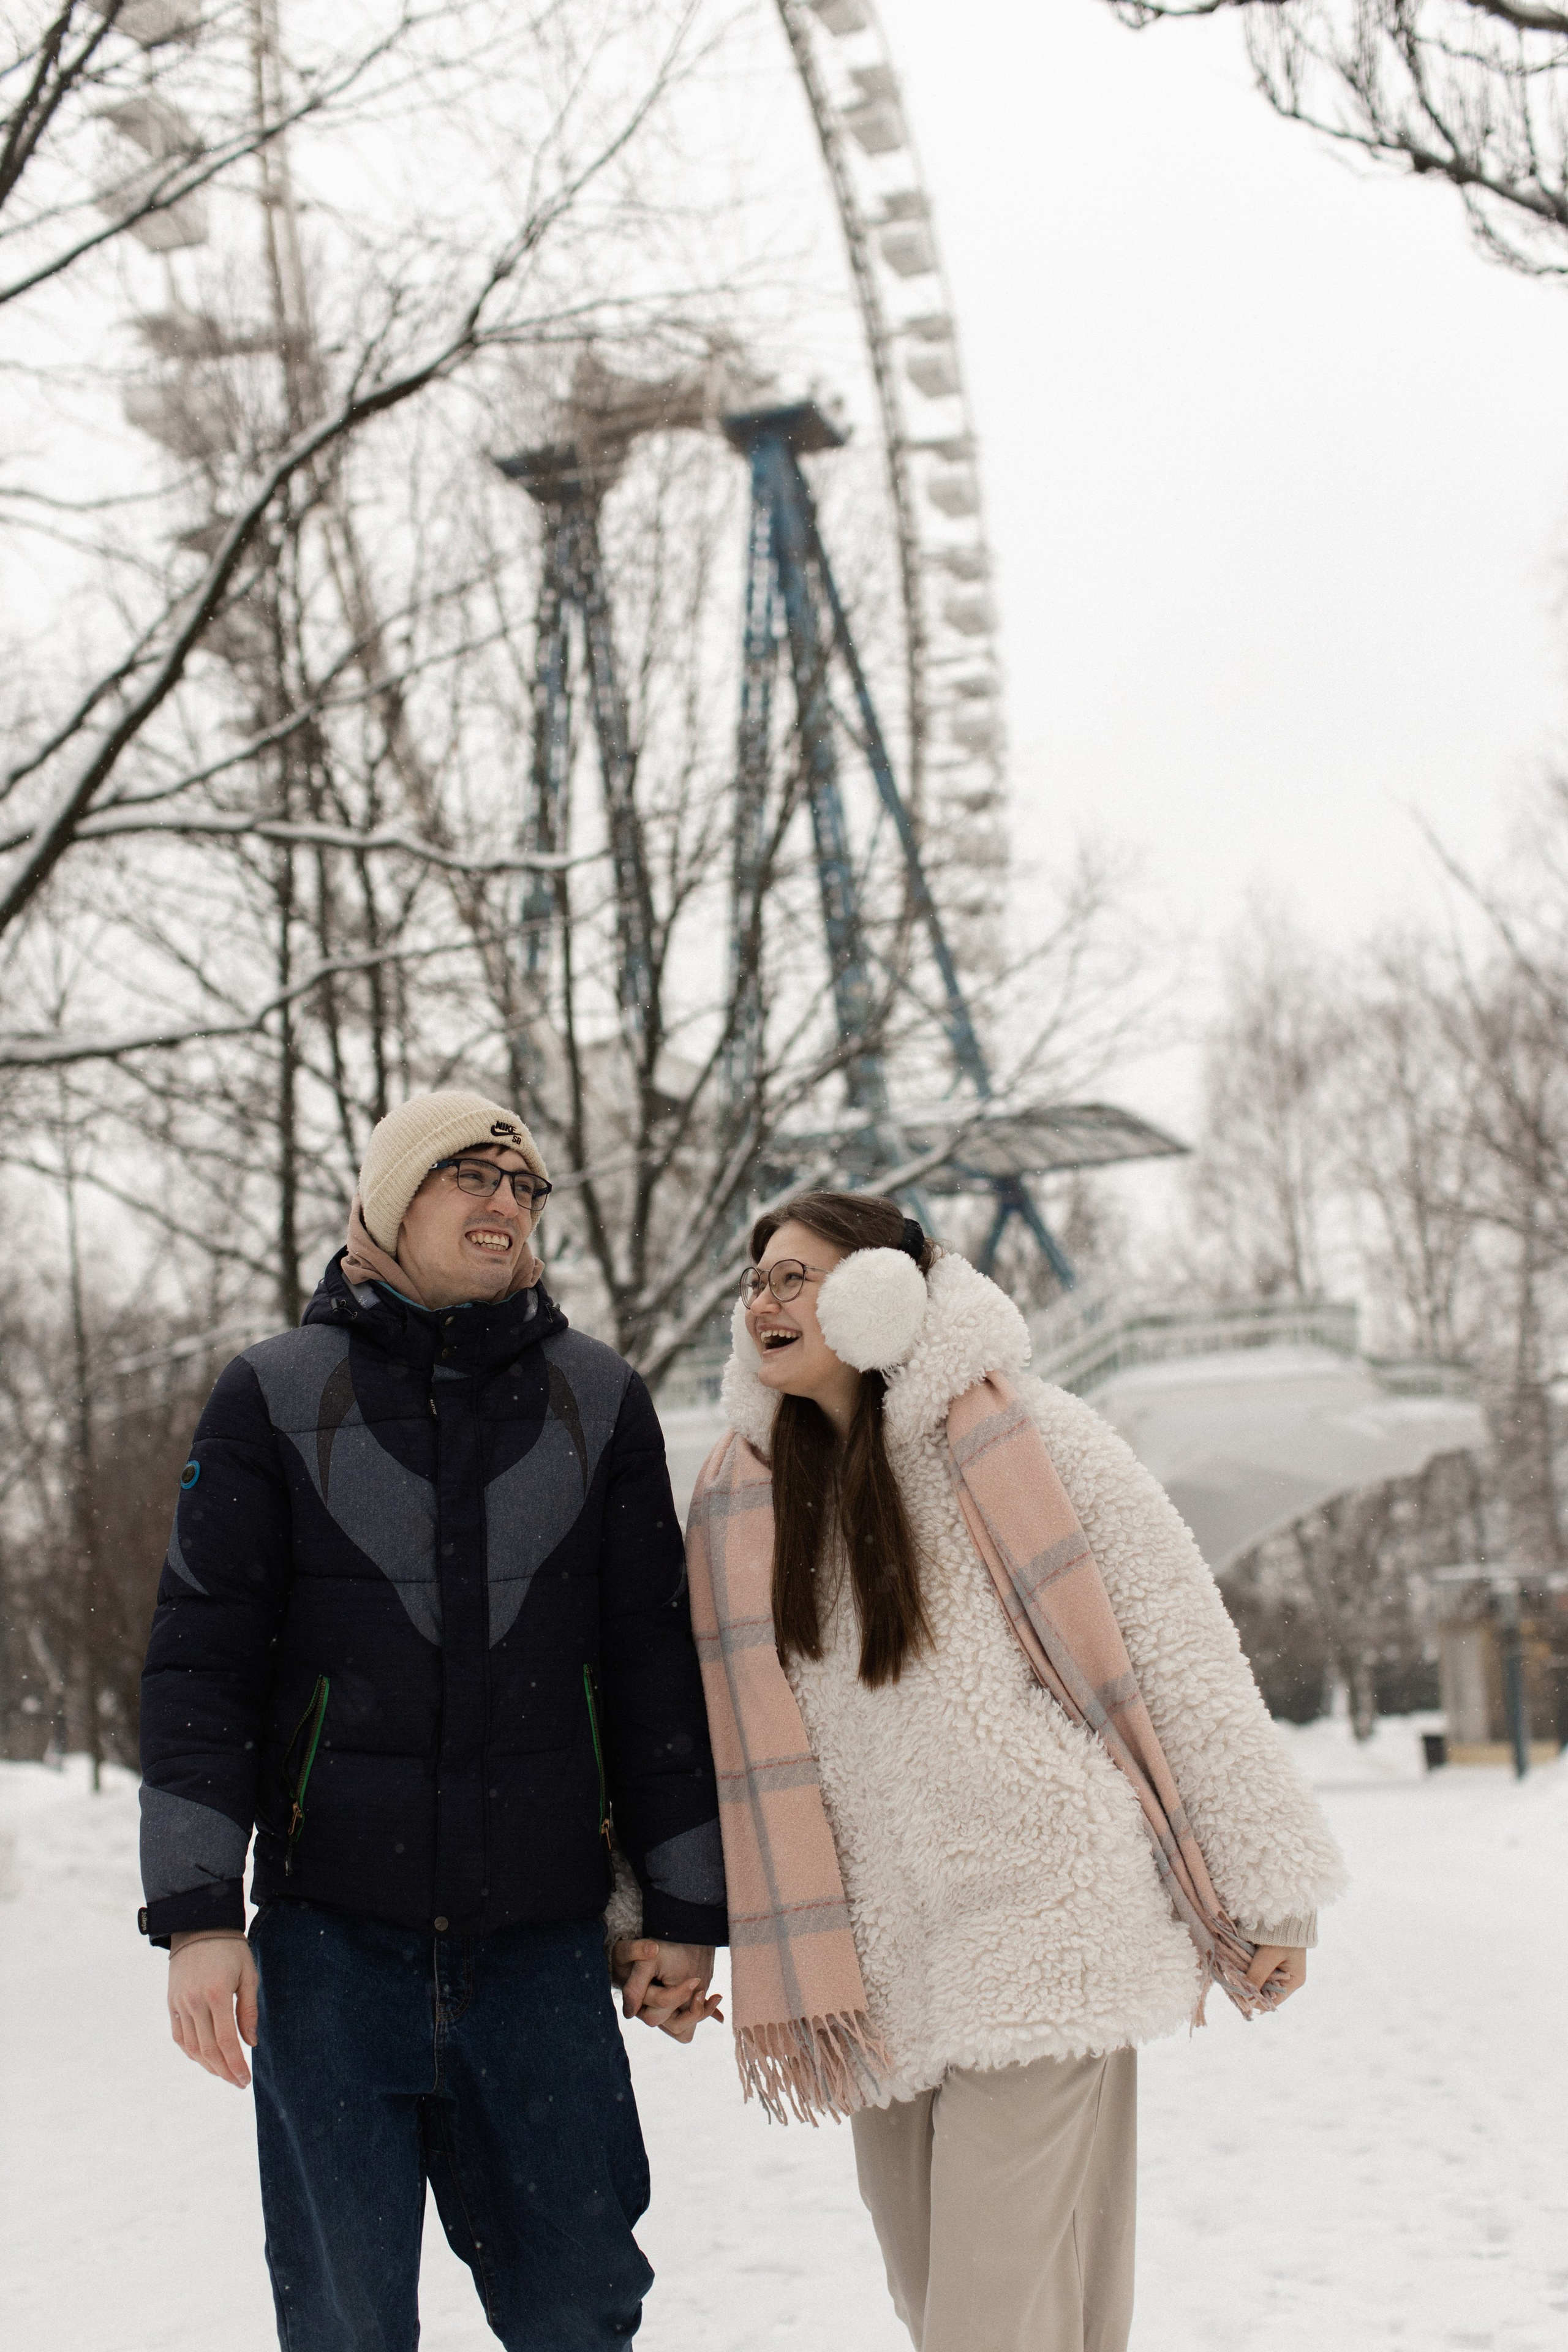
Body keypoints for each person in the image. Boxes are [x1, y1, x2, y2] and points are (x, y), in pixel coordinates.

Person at [685, 1191, 1344, 2352]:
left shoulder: (1031, 1439)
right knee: (953, 2296)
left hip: (1052, 1919)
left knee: (985, 2324)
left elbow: (1178, 1651)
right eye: (757, 1284)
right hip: (878, 1954)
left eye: (797, 1276)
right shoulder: (748, 1502)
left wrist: (1271, 1887)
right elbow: (709, 1737)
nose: (765, 1301)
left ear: (884, 1291)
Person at [138, 1089, 726, 2352]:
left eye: (523, 1185)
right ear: (391, 1199)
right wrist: (194, 1915)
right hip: (332, 1955)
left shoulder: (597, 1400)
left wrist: (681, 1911)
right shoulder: (273, 1394)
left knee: (582, 2306)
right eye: (470, 1174)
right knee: (346, 2323)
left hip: (541, 1955)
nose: (503, 1202)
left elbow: (649, 1670)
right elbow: (201, 1660)